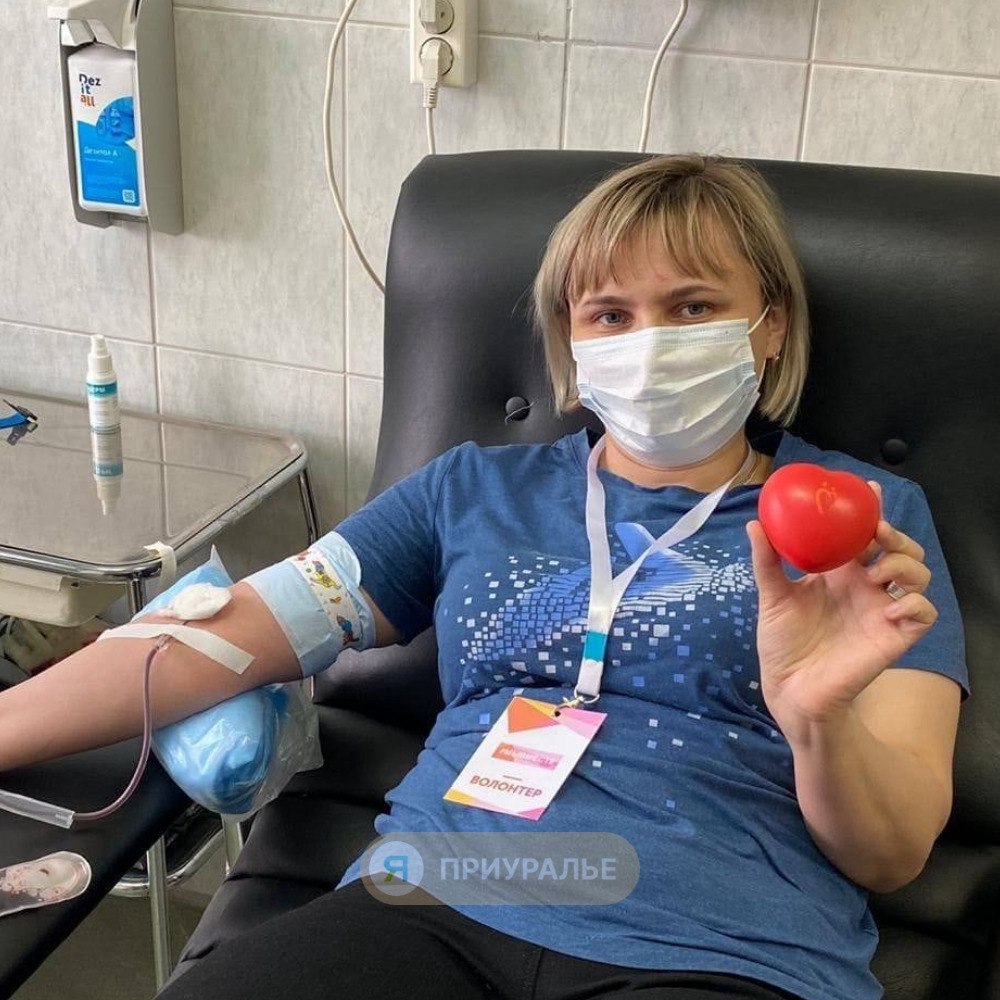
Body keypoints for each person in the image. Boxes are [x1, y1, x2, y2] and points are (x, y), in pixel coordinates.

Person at [0, 155, 967, 1000]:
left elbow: (891, 855)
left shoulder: (862, 520)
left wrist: (817, 722)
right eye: (612, 314)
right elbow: (221, 637)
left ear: (770, 324)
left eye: (693, 307)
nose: (650, 341)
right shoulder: (473, 491)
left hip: (723, 945)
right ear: (572, 342)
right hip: (431, 902)